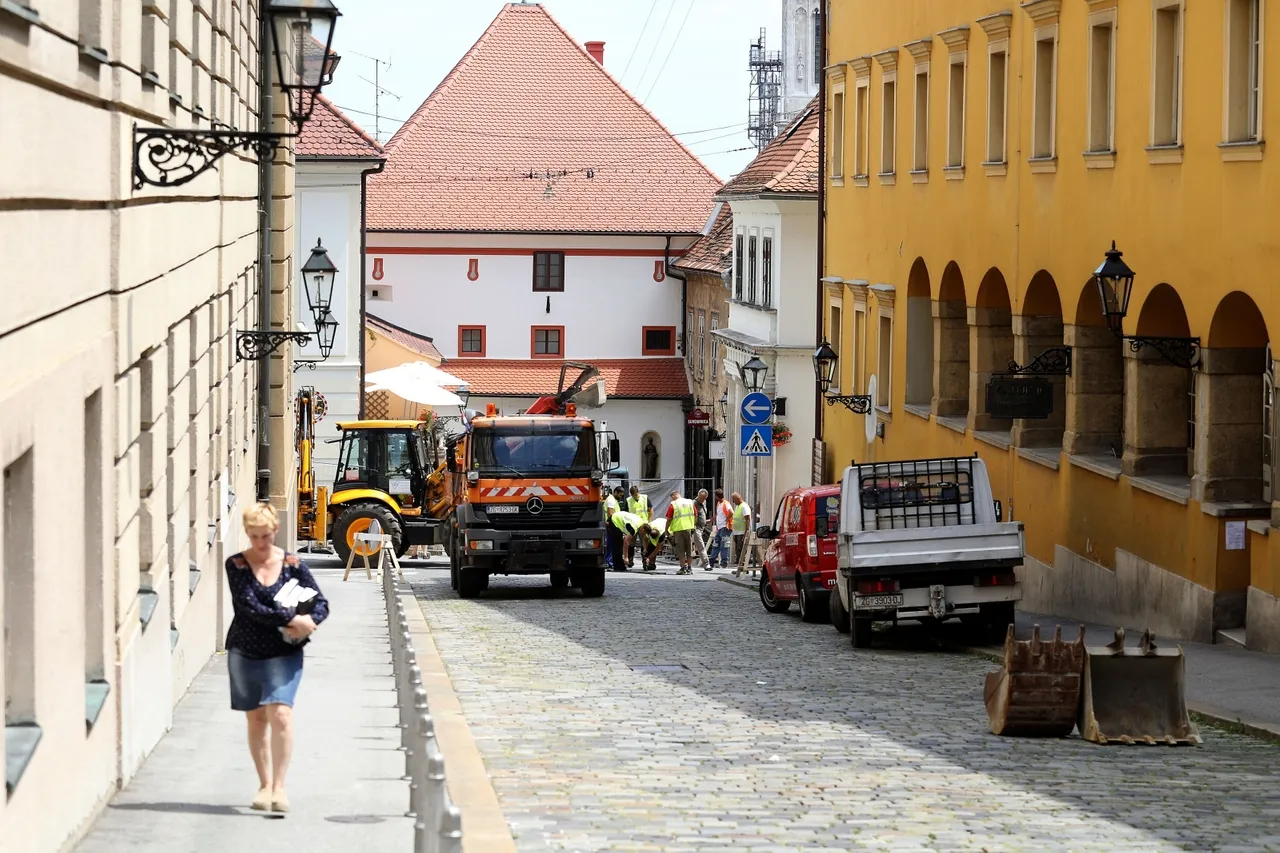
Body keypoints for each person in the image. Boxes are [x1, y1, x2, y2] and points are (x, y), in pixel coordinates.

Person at [225, 502, 329, 813]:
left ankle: (280, 787)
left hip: (285, 651)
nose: (260, 543)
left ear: (275, 531)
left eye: (266, 536)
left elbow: (320, 602)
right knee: (256, 717)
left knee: (281, 713)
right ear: (247, 534)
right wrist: (290, 619)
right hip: (245, 649)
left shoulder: (293, 565)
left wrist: (310, 622)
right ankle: (264, 785)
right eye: (254, 536)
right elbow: (249, 607)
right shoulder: (237, 565)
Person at [665, 490, 698, 575]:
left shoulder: (673, 504)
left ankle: (683, 568)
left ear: (673, 496)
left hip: (678, 529)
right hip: (689, 529)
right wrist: (693, 524)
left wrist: (666, 530)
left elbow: (669, 519)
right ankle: (690, 568)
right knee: (689, 549)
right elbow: (696, 514)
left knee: (680, 550)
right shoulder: (690, 502)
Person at [626, 485, 651, 567]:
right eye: (633, 495)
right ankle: (630, 561)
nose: (634, 496)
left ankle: (645, 561)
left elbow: (650, 510)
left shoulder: (645, 498)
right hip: (633, 525)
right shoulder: (628, 500)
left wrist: (649, 522)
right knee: (631, 543)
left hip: (643, 524)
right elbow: (626, 513)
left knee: (644, 543)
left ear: (638, 492)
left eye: (635, 494)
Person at [708, 489, 733, 568]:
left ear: (717, 496)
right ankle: (712, 560)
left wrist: (727, 519)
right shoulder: (719, 503)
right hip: (720, 528)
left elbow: (731, 512)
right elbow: (718, 514)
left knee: (724, 545)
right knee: (716, 544)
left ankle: (724, 561)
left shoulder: (726, 504)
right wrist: (711, 520)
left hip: (725, 527)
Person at [604, 485, 627, 571]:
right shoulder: (611, 500)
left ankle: (610, 561)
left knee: (612, 544)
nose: (621, 497)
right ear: (615, 492)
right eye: (620, 495)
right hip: (611, 525)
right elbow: (610, 513)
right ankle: (609, 562)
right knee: (611, 544)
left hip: (613, 524)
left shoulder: (614, 500)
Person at [730, 492, 752, 575]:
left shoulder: (744, 506)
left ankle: (742, 567)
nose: (733, 501)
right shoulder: (737, 506)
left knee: (741, 550)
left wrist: (746, 532)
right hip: (737, 532)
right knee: (738, 551)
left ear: (737, 498)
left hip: (742, 532)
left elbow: (747, 519)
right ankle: (741, 567)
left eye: (733, 499)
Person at [691, 489, 712, 570]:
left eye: (703, 498)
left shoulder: (704, 502)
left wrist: (708, 521)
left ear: (706, 497)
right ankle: (706, 564)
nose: (701, 500)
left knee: (700, 545)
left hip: (702, 527)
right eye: (700, 498)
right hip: (696, 527)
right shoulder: (693, 503)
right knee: (701, 545)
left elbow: (701, 515)